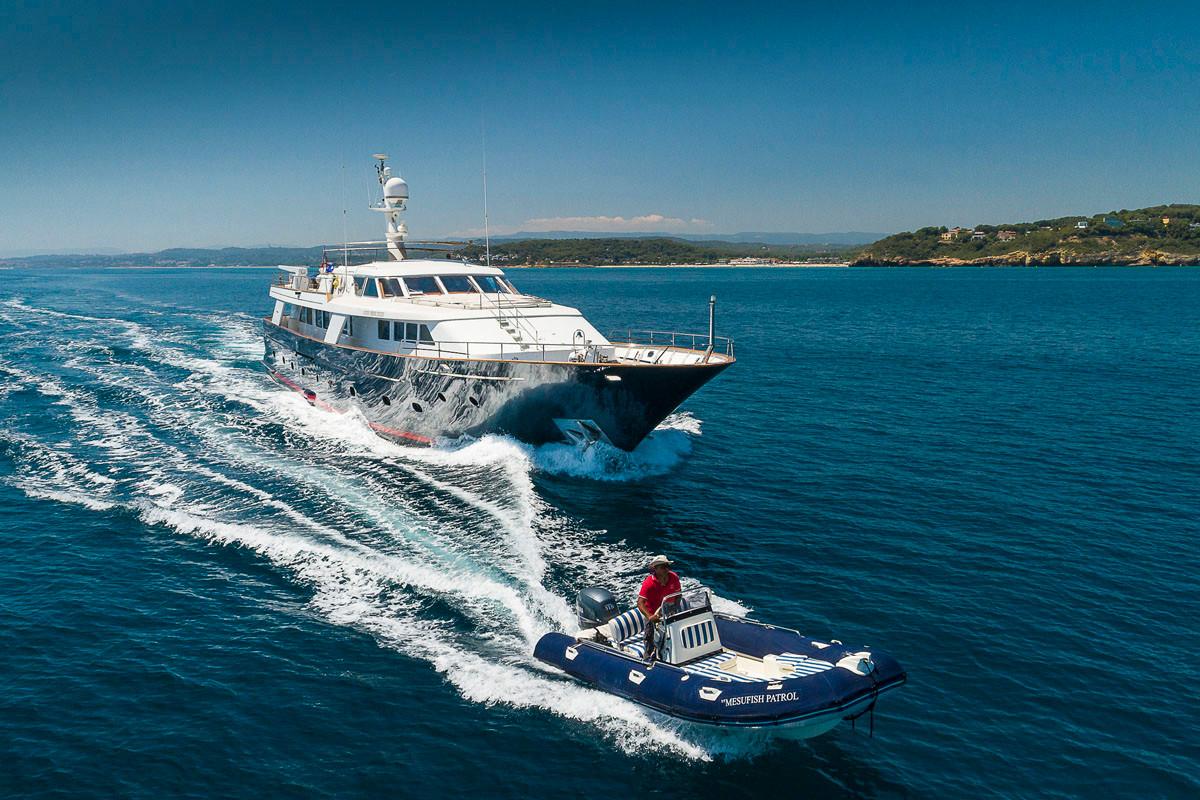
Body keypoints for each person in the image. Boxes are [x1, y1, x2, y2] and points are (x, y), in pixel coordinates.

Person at [637, 554, 680, 663]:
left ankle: (669, 656)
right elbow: (640, 603)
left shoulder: (674, 577)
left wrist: (675, 606)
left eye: (667, 566)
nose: (666, 569)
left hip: (667, 609)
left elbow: (678, 594)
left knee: (671, 634)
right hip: (652, 613)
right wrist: (650, 617)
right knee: (649, 637)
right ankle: (647, 659)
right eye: (663, 566)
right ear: (655, 569)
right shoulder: (649, 583)